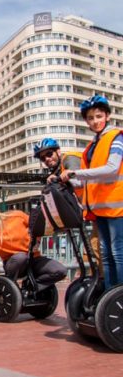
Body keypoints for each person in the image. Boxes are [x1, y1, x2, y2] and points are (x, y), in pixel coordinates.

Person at [61, 94, 123, 289]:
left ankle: (119, 295)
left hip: (118, 208)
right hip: (100, 210)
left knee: (118, 253)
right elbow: (88, 180)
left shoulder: (116, 138)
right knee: (105, 254)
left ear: (107, 116)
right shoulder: (93, 146)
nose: (95, 121)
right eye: (90, 118)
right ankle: (110, 297)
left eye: (98, 116)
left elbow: (112, 168)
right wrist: (65, 178)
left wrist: (76, 172)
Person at [34, 137, 102, 276]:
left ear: (58, 152)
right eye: (43, 158)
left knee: (97, 251)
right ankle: (96, 286)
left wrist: (60, 180)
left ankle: (110, 290)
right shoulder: (58, 171)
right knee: (90, 255)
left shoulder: (69, 160)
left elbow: (80, 181)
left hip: (105, 208)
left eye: (49, 154)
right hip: (96, 213)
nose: (47, 159)